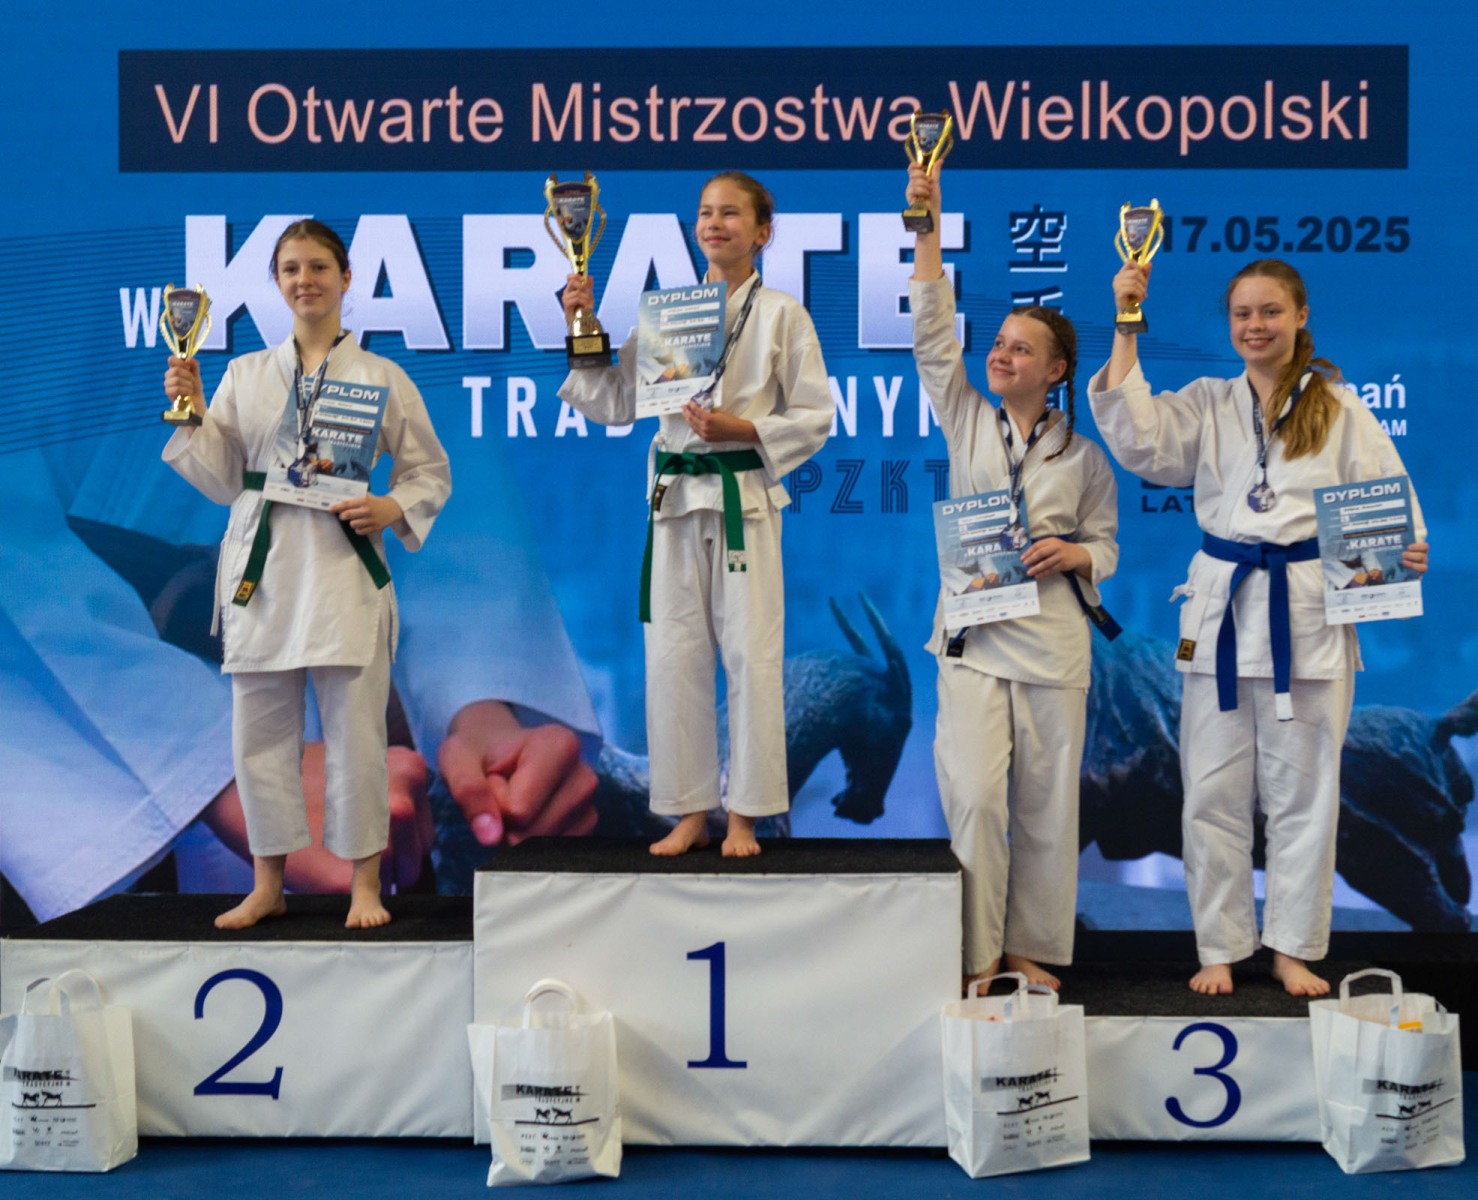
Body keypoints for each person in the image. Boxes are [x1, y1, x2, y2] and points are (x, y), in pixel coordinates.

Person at [1090, 257, 1429, 996]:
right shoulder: (1210, 402)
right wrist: (1126, 319)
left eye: (1270, 311)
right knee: (1210, 793)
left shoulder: (1339, 408)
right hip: (1221, 611)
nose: (1255, 325)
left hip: (1307, 612)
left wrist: (1406, 549)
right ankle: (1219, 944)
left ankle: (1292, 948)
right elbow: (1141, 442)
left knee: (1304, 795)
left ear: (1300, 317)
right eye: (1242, 313)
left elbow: (1387, 498)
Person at [162, 219, 452, 930]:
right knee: (259, 737)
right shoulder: (245, 375)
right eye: (291, 268)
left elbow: (428, 471)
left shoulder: (382, 377)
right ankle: (268, 884)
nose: (305, 280)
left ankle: (364, 886)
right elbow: (222, 480)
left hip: (343, 568)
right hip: (263, 568)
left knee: (358, 737)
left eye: (319, 266)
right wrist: (192, 415)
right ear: (277, 281)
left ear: (346, 278)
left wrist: (390, 506)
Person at [559, 172, 834, 858]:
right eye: (706, 212)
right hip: (675, 502)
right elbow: (614, 401)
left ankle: (745, 816)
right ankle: (686, 811)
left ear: (762, 232)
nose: (714, 223)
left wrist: (743, 428)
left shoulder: (783, 315)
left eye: (731, 213)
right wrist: (581, 326)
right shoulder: (670, 314)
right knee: (673, 656)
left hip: (743, 502)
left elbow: (815, 416)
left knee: (751, 657)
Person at [906, 163, 1119, 991]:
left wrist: (1077, 555)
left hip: (1054, 645)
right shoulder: (966, 419)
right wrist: (928, 227)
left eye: (1020, 348)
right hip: (971, 636)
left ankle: (1031, 949)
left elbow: (1106, 545)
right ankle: (975, 953)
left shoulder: (1085, 457)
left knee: (1044, 808)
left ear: (1056, 370)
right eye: (997, 343)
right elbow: (933, 336)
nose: (999, 353)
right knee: (973, 797)